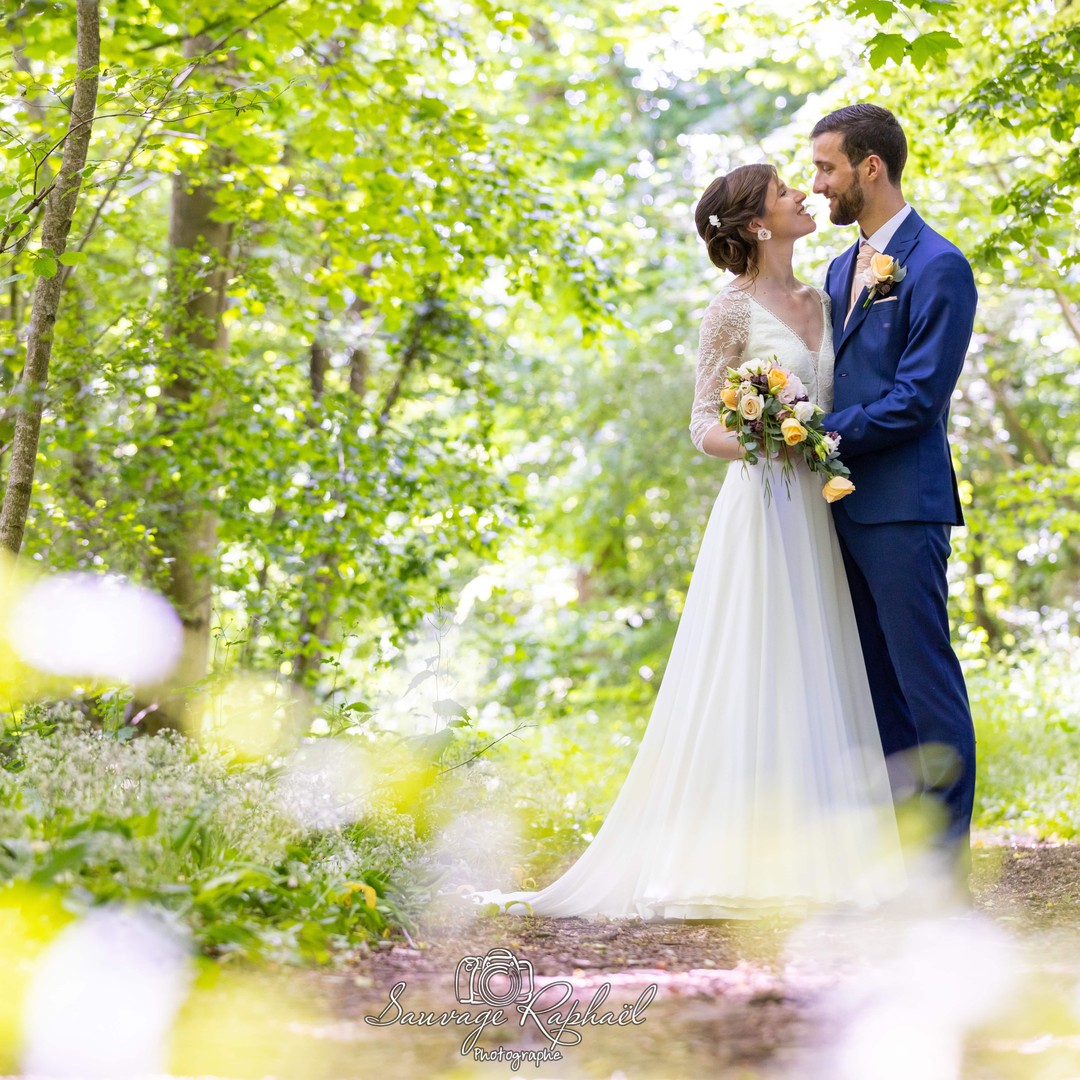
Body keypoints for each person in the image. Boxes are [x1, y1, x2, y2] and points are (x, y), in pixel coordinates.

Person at [468, 162, 906, 921]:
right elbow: (703, 424)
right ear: (759, 225)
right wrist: (770, 433)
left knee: (819, 666)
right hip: (763, 505)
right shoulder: (729, 312)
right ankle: (732, 861)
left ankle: (823, 854)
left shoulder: (829, 298)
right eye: (783, 191)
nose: (803, 193)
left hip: (820, 509)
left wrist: (812, 434)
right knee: (754, 667)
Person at [810, 104, 977, 891]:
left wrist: (818, 432)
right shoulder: (840, 272)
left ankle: (942, 872)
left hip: (904, 507)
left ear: (870, 167)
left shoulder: (939, 265)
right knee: (875, 691)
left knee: (925, 686)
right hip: (839, 507)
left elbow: (917, 399)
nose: (818, 186)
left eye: (827, 168)